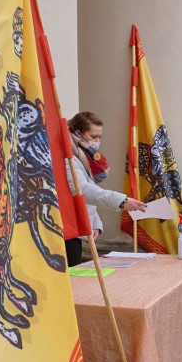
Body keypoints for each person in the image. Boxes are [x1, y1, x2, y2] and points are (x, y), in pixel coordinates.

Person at [64, 112, 146, 266]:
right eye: (93, 136)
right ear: (78, 134)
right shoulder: (68, 158)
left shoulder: (84, 156)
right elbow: (81, 189)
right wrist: (121, 201)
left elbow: (90, 192)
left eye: (99, 137)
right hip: (65, 229)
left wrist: (95, 223)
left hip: (77, 228)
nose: (97, 141)